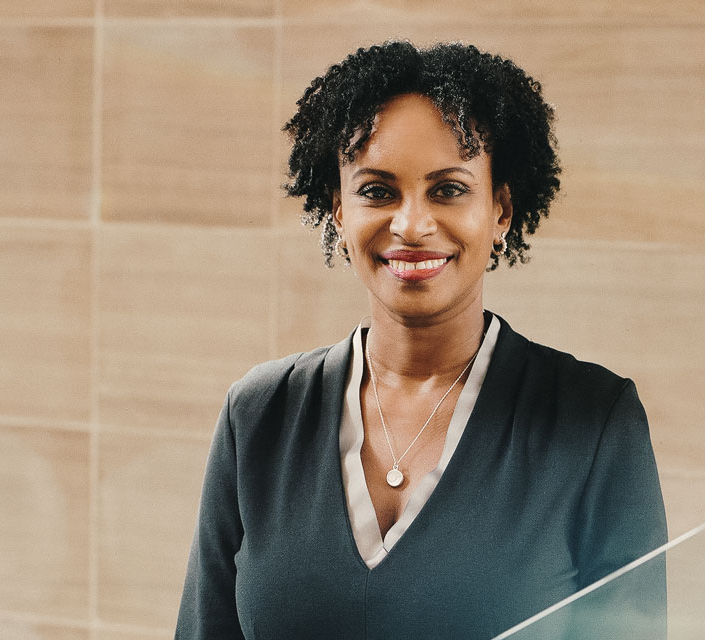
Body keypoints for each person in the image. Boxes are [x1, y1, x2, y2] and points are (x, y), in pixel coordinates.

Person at [175, 41, 667, 640]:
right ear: (337, 208)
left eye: (449, 189)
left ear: (501, 209)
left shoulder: (592, 421)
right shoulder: (258, 414)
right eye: (377, 190)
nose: (410, 224)